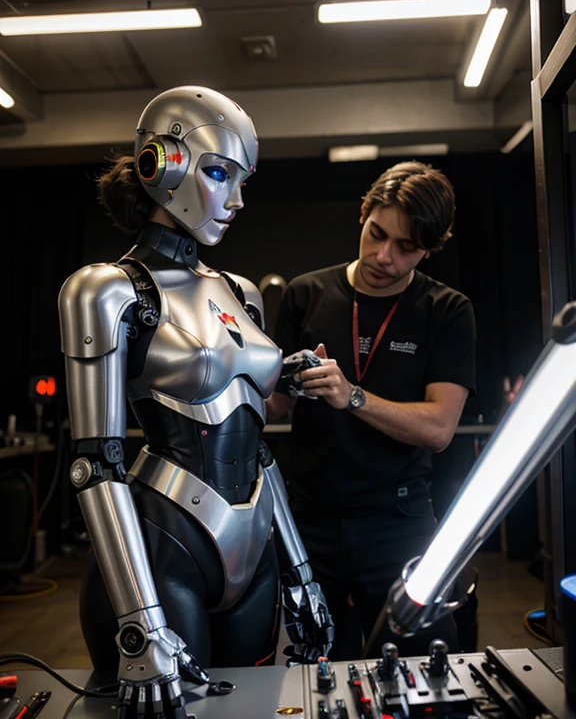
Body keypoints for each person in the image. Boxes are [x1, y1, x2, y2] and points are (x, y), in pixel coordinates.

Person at [58, 86, 332, 718]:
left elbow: (256, 446)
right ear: (165, 165)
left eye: (242, 181)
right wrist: (140, 623)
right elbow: (94, 463)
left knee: (253, 709)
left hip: (253, 538)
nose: (235, 201)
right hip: (159, 550)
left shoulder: (240, 291)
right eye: (217, 173)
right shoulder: (105, 291)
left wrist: (301, 572)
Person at [267, 161, 476, 660]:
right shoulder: (305, 294)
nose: (384, 256)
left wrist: (351, 396)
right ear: (363, 214)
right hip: (310, 524)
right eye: (376, 234)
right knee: (314, 672)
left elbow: (439, 428)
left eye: (406, 248)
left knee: (416, 668)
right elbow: (273, 406)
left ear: (431, 248)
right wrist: (265, 377)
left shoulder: (446, 311)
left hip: (398, 522)